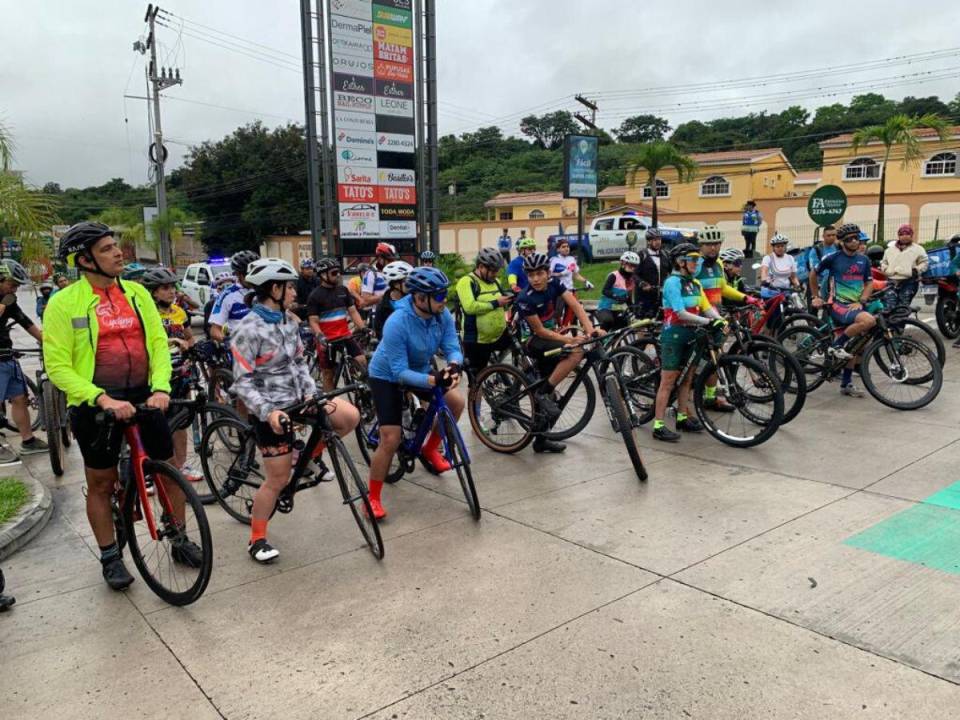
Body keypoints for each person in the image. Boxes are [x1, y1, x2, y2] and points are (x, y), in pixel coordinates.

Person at [44, 221, 198, 591]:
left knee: (166, 469)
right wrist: (102, 398)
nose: (118, 254)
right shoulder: (64, 303)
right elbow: (58, 366)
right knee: (101, 481)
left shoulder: (137, 294)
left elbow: (158, 344)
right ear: (85, 260)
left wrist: (160, 388)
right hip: (95, 403)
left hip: (144, 396)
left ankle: (178, 537)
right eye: (108, 249)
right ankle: (111, 556)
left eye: (116, 246)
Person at [230, 258, 360, 563]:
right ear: (274, 289)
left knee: (348, 417)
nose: (293, 292)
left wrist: (312, 394)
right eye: (288, 287)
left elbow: (300, 363)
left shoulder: (289, 320)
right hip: (270, 410)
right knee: (277, 480)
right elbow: (242, 381)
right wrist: (268, 412)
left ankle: (308, 456)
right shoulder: (247, 329)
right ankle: (257, 538)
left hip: (300, 399)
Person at [366, 267, 465, 520]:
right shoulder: (397, 323)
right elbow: (399, 372)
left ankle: (430, 449)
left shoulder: (441, 315)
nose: (444, 300)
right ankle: (372, 498)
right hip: (387, 375)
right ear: (421, 298)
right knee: (391, 438)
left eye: (445, 294)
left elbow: (452, 346)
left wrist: (453, 366)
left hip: (419, 368)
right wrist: (434, 379)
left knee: (455, 403)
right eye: (439, 296)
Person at [516, 252, 602, 454]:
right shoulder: (525, 298)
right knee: (575, 352)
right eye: (531, 275)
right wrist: (569, 340)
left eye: (539, 274)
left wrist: (590, 329)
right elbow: (539, 331)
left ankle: (541, 440)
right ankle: (542, 392)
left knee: (552, 398)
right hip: (532, 341)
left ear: (547, 273)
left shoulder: (555, 284)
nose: (535, 279)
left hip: (549, 337)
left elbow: (575, 306)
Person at [652, 244, 725, 442]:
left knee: (687, 378)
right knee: (668, 381)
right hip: (674, 334)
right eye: (692, 259)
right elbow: (680, 312)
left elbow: (707, 307)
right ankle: (658, 425)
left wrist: (721, 320)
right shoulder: (672, 282)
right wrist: (708, 322)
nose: (696, 263)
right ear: (680, 261)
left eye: (697, 259)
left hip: (692, 333)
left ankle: (682, 416)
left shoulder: (694, 283)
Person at [140, 266, 203, 485]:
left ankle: (181, 464)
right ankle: (149, 470)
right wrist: (170, 342)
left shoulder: (180, 312)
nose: (171, 292)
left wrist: (188, 344)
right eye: (165, 288)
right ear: (153, 292)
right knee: (155, 424)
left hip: (180, 372)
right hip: (155, 376)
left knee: (181, 422)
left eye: (172, 288)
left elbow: (190, 337)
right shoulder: (146, 313)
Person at [695, 226, 761, 409]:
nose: (713, 248)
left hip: (715, 317)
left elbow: (723, 288)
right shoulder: (695, 264)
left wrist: (746, 298)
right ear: (701, 245)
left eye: (716, 244)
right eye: (709, 244)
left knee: (715, 357)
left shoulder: (718, 265)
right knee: (689, 364)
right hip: (697, 318)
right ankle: (682, 406)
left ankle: (710, 397)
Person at [808, 222, 875, 397]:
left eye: (857, 238)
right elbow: (813, 274)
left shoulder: (864, 259)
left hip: (857, 305)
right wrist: (816, 297)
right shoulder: (833, 258)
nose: (854, 242)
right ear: (842, 241)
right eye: (849, 239)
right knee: (868, 321)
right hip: (838, 304)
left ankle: (846, 383)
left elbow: (869, 282)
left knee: (854, 345)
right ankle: (836, 346)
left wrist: (863, 299)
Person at [0, 263, 47, 465]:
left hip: (7, 357)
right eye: (12, 284)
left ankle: (28, 440)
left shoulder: (10, 301)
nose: (14, 289)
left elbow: (26, 323)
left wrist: (50, 341)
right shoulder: (5, 301)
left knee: (19, 398)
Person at [307, 258, 367, 392]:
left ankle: (359, 389)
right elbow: (313, 321)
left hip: (345, 336)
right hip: (328, 340)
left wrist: (363, 327)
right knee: (328, 375)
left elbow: (353, 312)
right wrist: (320, 336)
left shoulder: (343, 290)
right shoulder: (315, 296)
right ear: (323, 275)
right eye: (334, 273)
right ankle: (330, 407)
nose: (338, 275)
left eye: (339, 272)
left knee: (362, 360)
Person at [457, 248, 513, 380]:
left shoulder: (496, 282)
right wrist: (495, 303)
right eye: (493, 271)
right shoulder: (467, 282)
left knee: (520, 346)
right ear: (481, 267)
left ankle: (502, 373)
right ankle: (474, 400)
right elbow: (470, 307)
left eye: (497, 270)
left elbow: (502, 303)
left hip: (498, 335)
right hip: (477, 340)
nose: (495, 274)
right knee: (477, 381)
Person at [209, 250, 259, 342]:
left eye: (255, 273)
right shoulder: (227, 295)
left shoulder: (263, 289)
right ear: (238, 274)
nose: (252, 278)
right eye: (248, 274)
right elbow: (214, 330)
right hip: (242, 349)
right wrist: (228, 341)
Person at [759, 233, 801, 332]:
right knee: (772, 317)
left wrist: (798, 286)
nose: (780, 248)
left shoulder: (790, 258)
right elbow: (764, 271)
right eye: (777, 246)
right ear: (773, 247)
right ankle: (769, 333)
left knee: (787, 312)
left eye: (782, 246)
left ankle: (781, 332)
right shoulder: (768, 258)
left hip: (785, 291)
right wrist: (764, 280)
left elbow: (793, 277)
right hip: (770, 292)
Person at [881, 223, 928, 308]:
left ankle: (901, 321)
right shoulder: (889, 250)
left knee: (903, 306)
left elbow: (924, 262)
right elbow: (884, 262)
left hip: (909, 281)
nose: (904, 236)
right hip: (892, 280)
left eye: (907, 234)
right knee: (889, 305)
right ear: (898, 236)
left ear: (911, 235)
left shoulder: (918, 249)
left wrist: (916, 270)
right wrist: (885, 269)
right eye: (902, 234)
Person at [550, 238, 593, 326]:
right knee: (557, 314)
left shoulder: (571, 259)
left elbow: (576, 275)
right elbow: (549, 274)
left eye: (567, 246)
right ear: (558, 249)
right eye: (563, 247)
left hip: (570, 290)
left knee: (572, 312)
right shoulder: (554, 260)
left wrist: (586, 281)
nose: (566, 248)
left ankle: (565, 328)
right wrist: (561, 273)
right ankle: (557, 328)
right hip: (559, 292)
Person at [595, 252, 638, 330]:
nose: (633, 268)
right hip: (605, 308)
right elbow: (605, 291)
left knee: (624, 324)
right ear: (623, 263)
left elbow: (628, 298)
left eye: (635, 266)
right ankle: (600, 340)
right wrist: (617, 297)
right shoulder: (614, 276)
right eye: (631, 265)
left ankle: (615, 341)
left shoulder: (632, 280)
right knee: (608, 321)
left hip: (619, 309)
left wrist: (634, 309)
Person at [634, 228, 669, 318]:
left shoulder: (665, 254)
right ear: (648, 241)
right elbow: (634, 274)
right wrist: (642, 283)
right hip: (645, 296)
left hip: (661, 294)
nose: (658, 242)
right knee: (644, 322)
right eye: (655, 240)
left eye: (659, 239)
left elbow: (672, 271)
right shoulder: (641, 255)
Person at [374, 260, 414, 339]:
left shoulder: (415, 300)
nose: (410, 284)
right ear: (395, 284)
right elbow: (381, 334)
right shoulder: (382, 307)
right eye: (407, 281)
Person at [360, 242, 396, 309]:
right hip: (378, 314)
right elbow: (365, 300)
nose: (392, 262)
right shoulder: (371, 274)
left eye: (393, 260)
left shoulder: (396, 273)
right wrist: (387, 296)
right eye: (389, 260)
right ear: (379, 258)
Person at [808, 225, 839, 301]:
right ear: (823, 236)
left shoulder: (838, 247)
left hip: (836, 280)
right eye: (828, 235)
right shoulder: (816, 249)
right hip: (820, 280)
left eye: (833, 235)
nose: (831, 237)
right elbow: (814, 269)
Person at [203, 271, 235, 339]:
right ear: (218, 289)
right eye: (224, 286)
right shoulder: (211, 305)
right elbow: (208, 327)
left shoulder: (239, 301)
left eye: (230, 285)